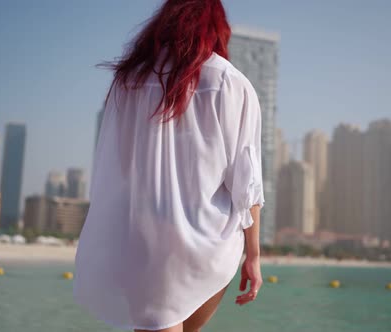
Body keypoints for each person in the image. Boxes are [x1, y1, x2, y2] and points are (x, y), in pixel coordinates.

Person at [73, 1, 264, 331]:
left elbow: (118, 164)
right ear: (217, 28)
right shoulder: (230, 81)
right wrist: (254, 255)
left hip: (142, 236)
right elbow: (246, 183)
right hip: (206, 240)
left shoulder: (128, 80)